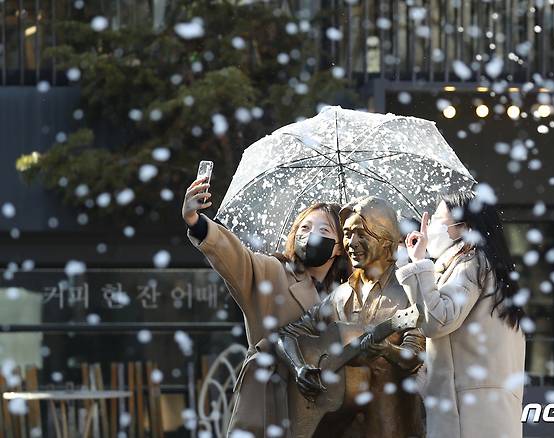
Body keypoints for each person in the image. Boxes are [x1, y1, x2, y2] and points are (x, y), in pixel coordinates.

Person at [182, 176, 349, 437]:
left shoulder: (346, 293)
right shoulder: (274, 271)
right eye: (304, 228)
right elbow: (237, 259)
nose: (310, 236)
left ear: (340, 246)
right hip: (268, 402)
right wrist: (197, 222)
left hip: (320, 411)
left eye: (324, 231)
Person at [276, 196, 425, 438]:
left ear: (386, 241)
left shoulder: (410, 289)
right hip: (340, 428)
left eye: (361, 234)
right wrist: (300, 367)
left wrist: (387, 350)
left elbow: (417, 355)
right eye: (347, 234)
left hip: (392, 426)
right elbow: (285, 335)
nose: (351, 243)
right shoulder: (340, 295)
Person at [396, 191, 526, 438]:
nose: (429, 225)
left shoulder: (469, 262)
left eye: (436, 218)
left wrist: (418, 264)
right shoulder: (488, 267)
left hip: (468, 416)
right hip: (488, 412)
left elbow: (438, 321)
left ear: (463, 227)